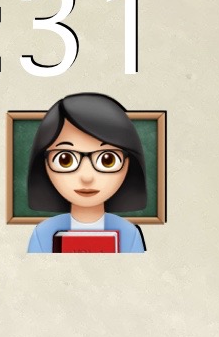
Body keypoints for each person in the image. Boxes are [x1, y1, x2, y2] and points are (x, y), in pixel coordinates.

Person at [21, 93, 151, 253]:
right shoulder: (42, 234)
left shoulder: (130, 235)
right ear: (45, 164)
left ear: (127, 165)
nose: (87, 177)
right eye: (65, 159)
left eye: (108, 160)